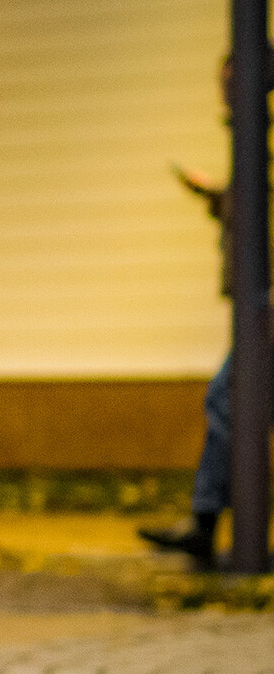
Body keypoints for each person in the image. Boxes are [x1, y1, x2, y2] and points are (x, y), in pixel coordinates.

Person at [141, 52, 273, 569]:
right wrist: (216, 197)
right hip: (258, 300)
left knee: (227, 400)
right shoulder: (249, 136)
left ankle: (207, 524)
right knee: (235, 404)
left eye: (228, 81)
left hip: (265, 303)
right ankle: (206, 523)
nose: (220, 90)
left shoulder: (259, 136)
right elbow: (254, 205)